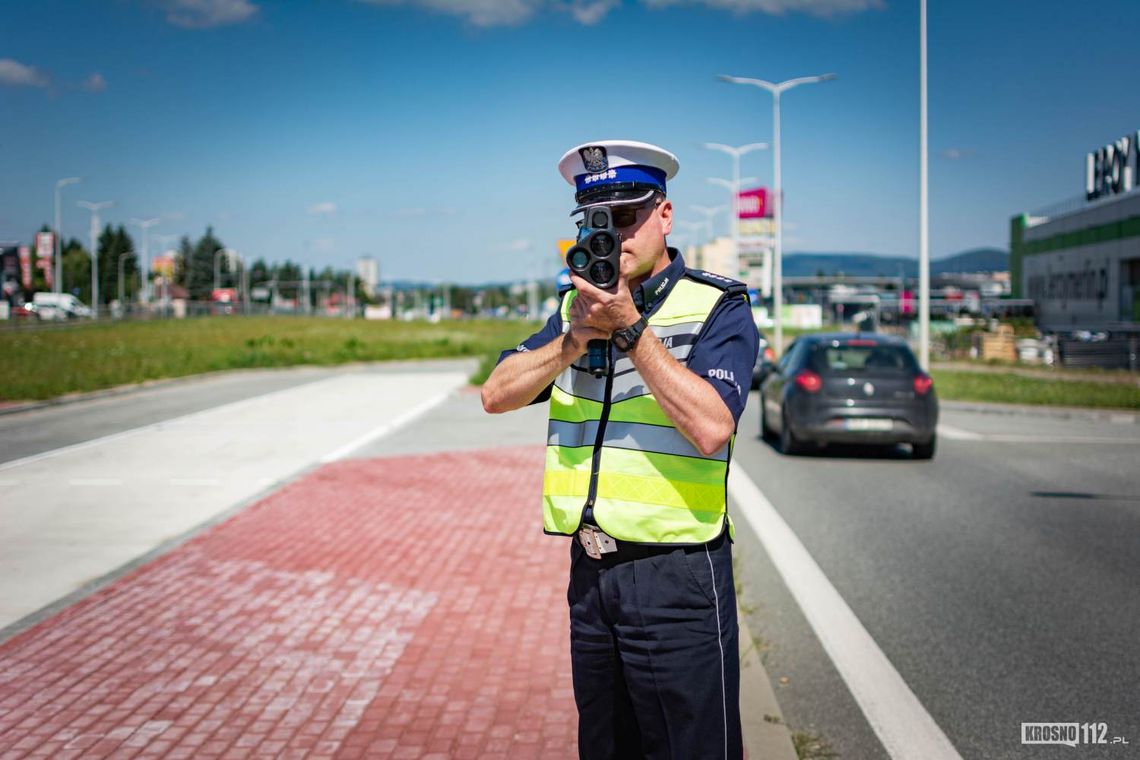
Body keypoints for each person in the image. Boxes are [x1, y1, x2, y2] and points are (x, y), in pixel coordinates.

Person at [482, 140, 758, 759]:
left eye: (627, 217)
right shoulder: (571, 310)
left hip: (677, 576)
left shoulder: (718, 306)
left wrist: (632, 329)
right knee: (607, 746)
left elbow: (713, 426)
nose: (612, 236)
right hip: (592, 574)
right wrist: (574, 339)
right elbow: (496, 394)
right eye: (593, 222)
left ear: (665, 214)